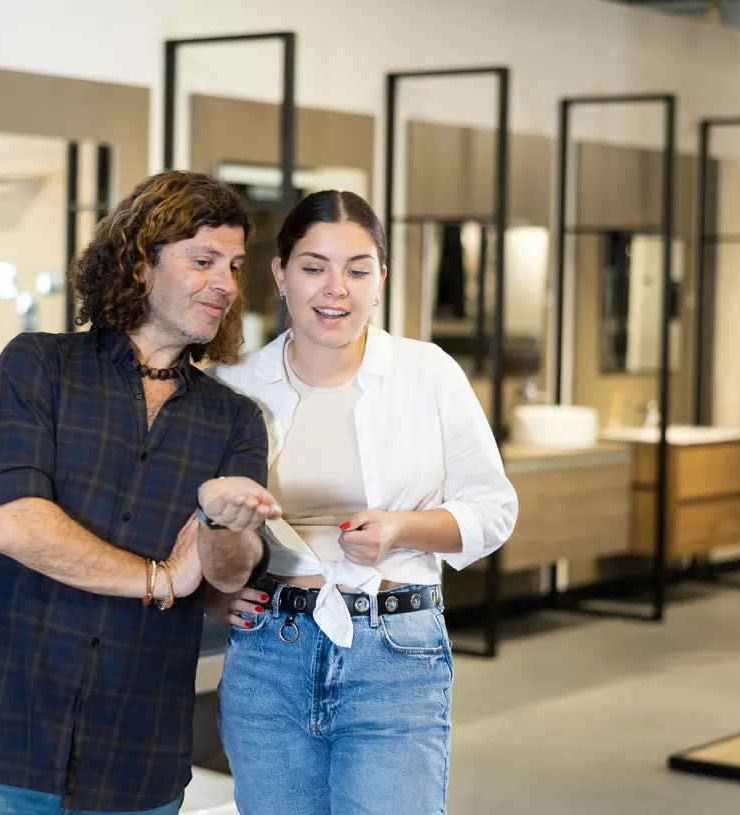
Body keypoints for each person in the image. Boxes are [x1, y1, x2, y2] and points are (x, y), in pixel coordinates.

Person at [0, 169, 282, 815]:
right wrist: (159, 579)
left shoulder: (234, 419)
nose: (227, 284)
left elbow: (228, 576)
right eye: (203, 260)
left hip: (138, 756)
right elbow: (13, 525)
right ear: (141, 264)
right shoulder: (38, 365)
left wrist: (220, 526)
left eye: (234, 266)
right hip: (5, 740)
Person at [207, 189, 518, 815]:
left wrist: (400, 529)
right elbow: (205, 517)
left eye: (357, 268)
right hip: (269, 655)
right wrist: (215, 596)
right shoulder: (235, 384)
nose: (335, 289)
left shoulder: (426, 373)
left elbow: (494, 509)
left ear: (381, 278)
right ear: (280, 274)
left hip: (395, 652)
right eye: (314, 266)